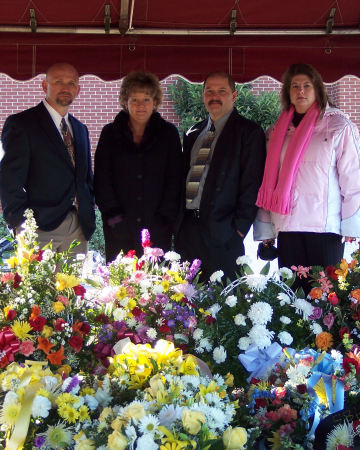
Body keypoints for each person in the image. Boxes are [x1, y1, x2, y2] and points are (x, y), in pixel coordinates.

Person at [254, 63, 360, 292]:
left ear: (318, 90)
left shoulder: (339, 127)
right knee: (292, 299)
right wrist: (266, 232)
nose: (300, 91)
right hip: (288, 228)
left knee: (325, 300)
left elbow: (353, 179)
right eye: (294, 86)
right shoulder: (276, 132)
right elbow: (267, 181)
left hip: (324, 230)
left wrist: (351, 225)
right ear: (287, 92)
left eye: (306, 86)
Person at [175, 71, 266, 281]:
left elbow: (252, 184)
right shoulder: (193, 133)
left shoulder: (249, 132)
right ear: (203, 95)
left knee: (224, 302)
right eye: (209, 91)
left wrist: (239, 230)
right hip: (188, 231)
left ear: (234, 96)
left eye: (222, 91)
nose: (215, 96)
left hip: (224, 233)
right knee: (187, 301)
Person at [0, 63, 95, 254]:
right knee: (36, 285)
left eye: (71, 83)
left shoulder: (80, 129)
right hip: (39, 228)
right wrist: (21, 223)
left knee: (73, 284)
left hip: (78, 228)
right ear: (45, 86)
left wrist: (88, 210)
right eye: (59, 82)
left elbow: (86, 178)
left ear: (78, 89)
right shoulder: (21, 124)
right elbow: (9, 179)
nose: (66, 88)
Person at [94, 71, 182, 262]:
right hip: (119, 229)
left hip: (157, 229)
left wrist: (164, 220)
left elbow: (175, 180)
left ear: (155, 102)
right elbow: (102, 180)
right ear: (125, 101)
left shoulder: (168, 134)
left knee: (157, 286)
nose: (140, 105)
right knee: (120, 287)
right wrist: (114, 219)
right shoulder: (110, 134)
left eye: (146, 99)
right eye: (134, 99)